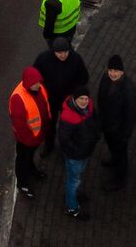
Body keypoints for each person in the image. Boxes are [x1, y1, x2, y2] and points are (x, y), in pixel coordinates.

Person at [32, 37, 88, 153]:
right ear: (53, 51)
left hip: (67, 102)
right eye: (59, 53)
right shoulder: (44, 58)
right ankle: (49, 145)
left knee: (66, 127)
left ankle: (65, 148)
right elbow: (35, 75)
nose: (63, 55)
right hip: (50, 100)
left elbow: (84, 78)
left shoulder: (76, 59)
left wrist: (75, 92)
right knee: (49, 125)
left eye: (65, 52)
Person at [96, 55, 136, 190]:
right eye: (111, 71)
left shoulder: (129, 90)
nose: (113, 74)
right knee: (113, 148)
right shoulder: (105, 79)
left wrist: (125, 135)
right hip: (108, 125)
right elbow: (100, 98)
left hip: (119, 131)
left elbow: (131, 116)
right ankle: (114, 160)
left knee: (121, 154)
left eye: (116, 71)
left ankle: (120, 179)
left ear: (122, 72)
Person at [9, 67, 50, 198]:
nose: (38, 85)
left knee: (29, 158)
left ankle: (31, 170)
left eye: (38, 82)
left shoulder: (39, 88)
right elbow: (20, 125)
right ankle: (23, 184)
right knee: (22, 161)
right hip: (26, 140)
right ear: (27, 83)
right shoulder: (18, 98)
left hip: (37, 136)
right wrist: (29, 140)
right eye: (35, 83)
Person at [57, 90, 98, 220]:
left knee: (76, 178)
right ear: (74, 99)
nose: (84, 101)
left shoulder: (90, 108)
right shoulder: (68, 116)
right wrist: (77, 151)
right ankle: (72, 208)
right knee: (73, 181)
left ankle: (74, 196)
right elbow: (64, 139)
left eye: (86, 98)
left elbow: (96, 122)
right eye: (81, 99)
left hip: (84, 153)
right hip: (75, 156)